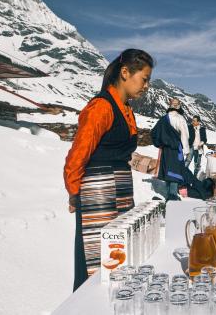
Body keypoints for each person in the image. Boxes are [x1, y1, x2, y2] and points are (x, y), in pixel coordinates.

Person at [63, 49, 153, 291]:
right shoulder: (101, 107)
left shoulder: (125, 109)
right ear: (125, 72)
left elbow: (117, 153)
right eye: (144, 79)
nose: (146, 86)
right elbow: (77, 156)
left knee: (118, 259)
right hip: (98, 195)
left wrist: (148, 165)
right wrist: (75, 194)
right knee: (96, 263)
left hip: (120, 193)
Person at [151, 98, 190, 201]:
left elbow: (154, 132)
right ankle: (172, 196)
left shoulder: (163, 119)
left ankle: (169, 195)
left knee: (168, 171)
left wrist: (159, 143)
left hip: (165, 150)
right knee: (175, 172)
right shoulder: (180, 119)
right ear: (178, 107)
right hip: (175, 150)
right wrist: (186, 150)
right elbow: (185, 135)